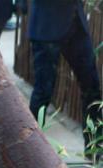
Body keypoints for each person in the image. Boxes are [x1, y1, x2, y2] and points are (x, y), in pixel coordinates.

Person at [28, 0, 101, 154]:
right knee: (43, 92)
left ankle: (95, 151)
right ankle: (30, 151)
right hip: (47, 25)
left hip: (76, 25)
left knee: (92, 87)